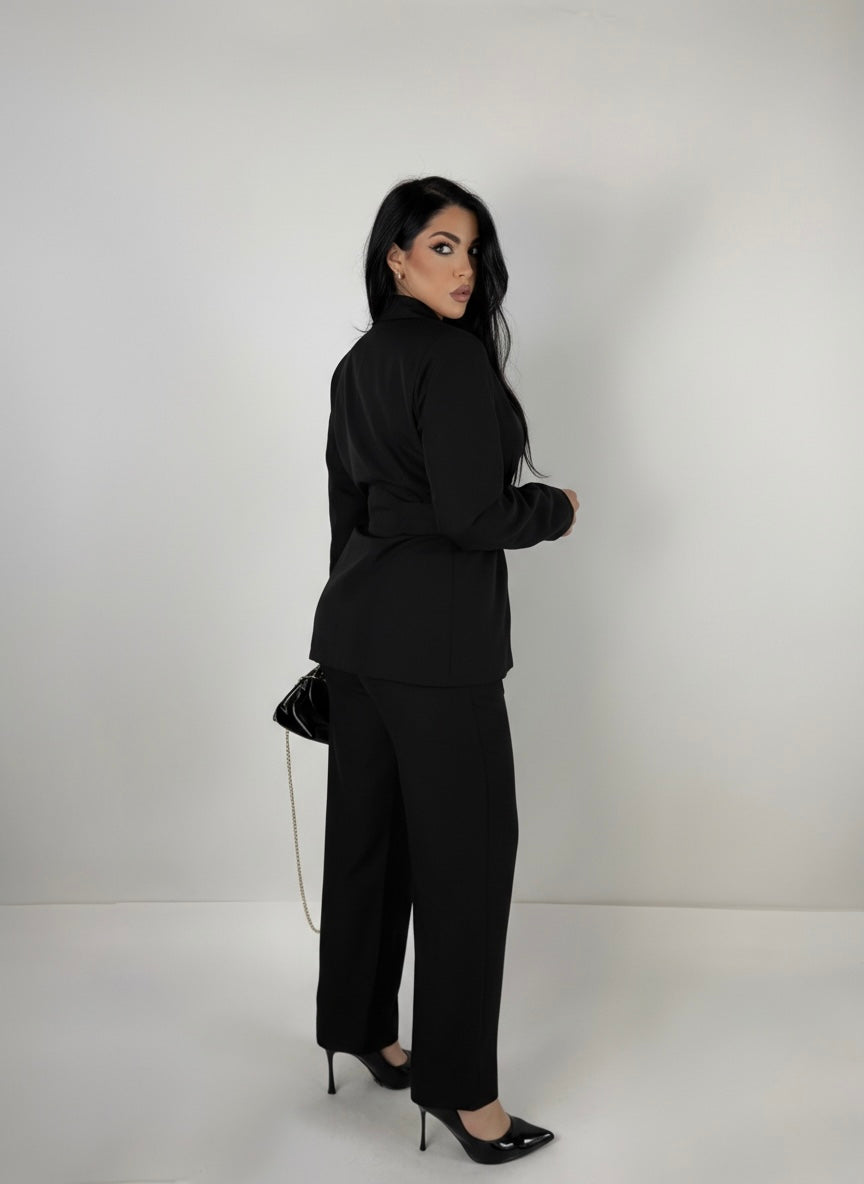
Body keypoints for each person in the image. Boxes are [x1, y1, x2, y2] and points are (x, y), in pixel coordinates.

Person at [307, 175, 579, 1165]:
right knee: (466, 861)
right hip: (440, 651)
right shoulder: (453, 361)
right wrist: (553, 508)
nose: (464, 269)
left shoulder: (356, 364)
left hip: (357, 638)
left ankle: (360, 1027)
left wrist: (343, 628)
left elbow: (346, 514)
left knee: (369, 842)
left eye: (473, 250)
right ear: (396, 256)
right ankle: (469, 1097)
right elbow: (475, 517)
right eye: (442, 247)